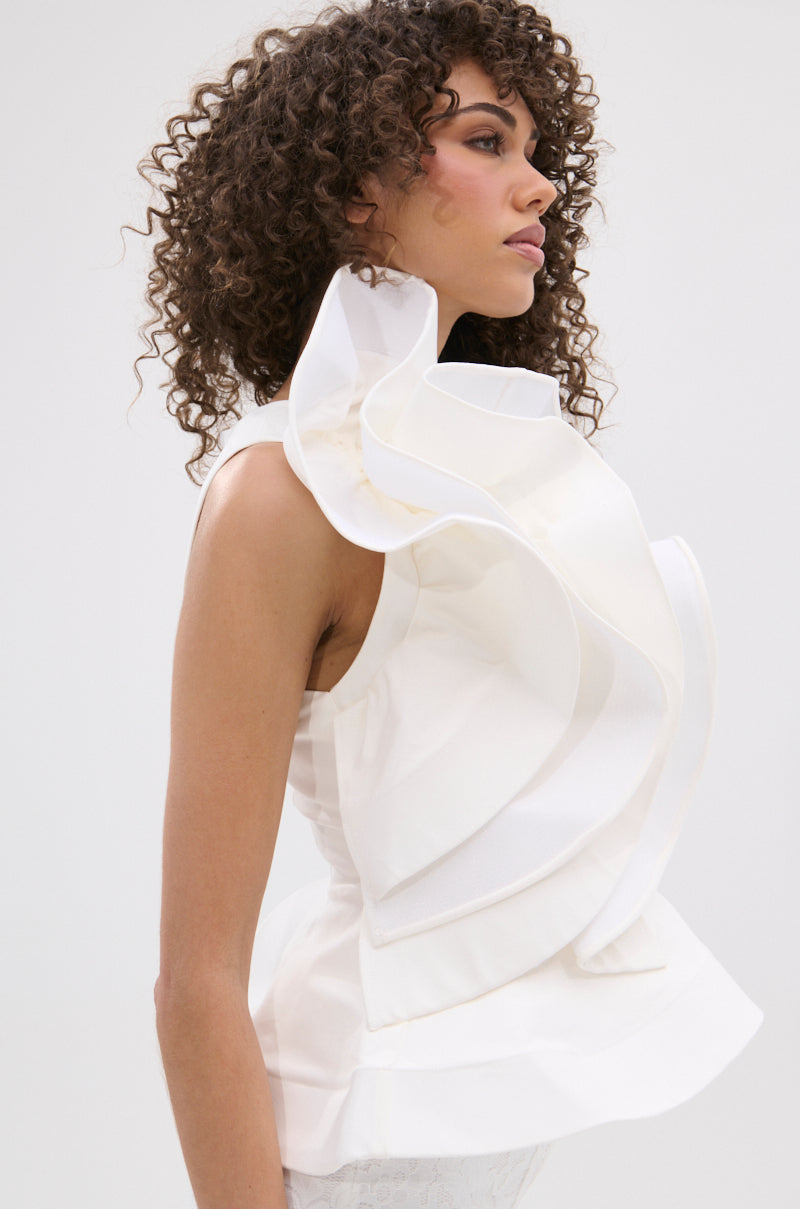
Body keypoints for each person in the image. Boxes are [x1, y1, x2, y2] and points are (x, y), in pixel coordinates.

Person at [137, 1, 763, 1205]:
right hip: (360, 1150)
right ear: (353, 187)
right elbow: (194, 979)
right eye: (485, 142)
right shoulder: (277, 499)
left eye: (535, 153)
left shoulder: (454, 480)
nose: (534, 189)